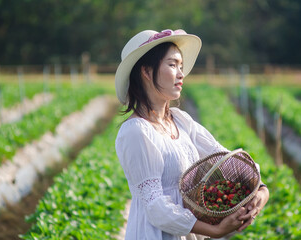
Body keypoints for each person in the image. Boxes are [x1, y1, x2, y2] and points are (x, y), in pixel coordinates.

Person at [115, 29, 269, 240]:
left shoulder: (180, 121)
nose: (181, 74)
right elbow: (155, 206)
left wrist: (261, 190)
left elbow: (225, 159)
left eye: (181, 66)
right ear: (146, 71)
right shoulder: (136, 132)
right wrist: (215, 230)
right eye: (172, 65)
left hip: (188, 233)